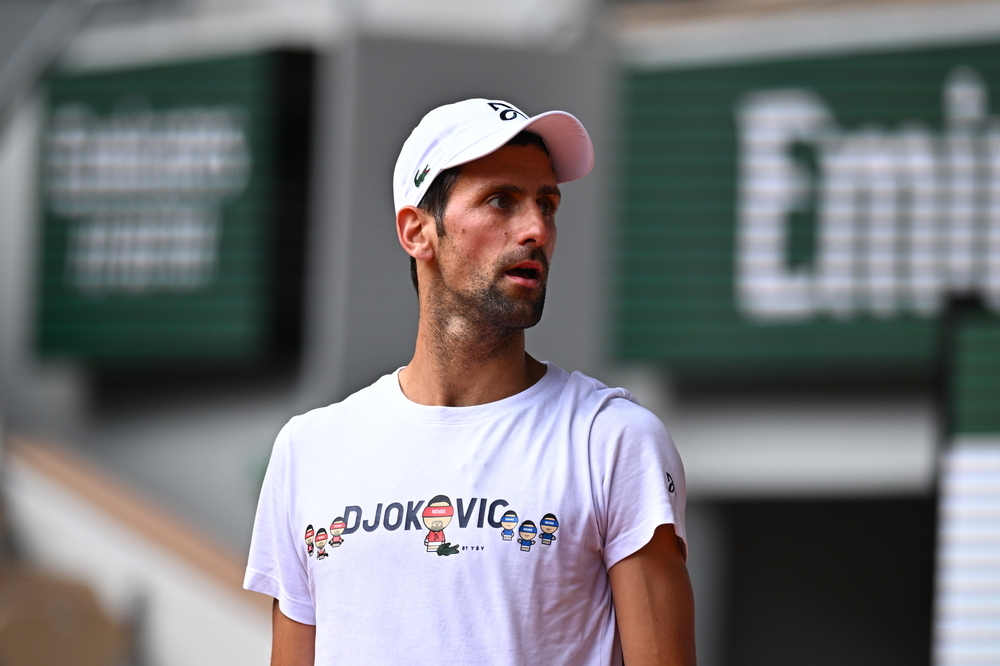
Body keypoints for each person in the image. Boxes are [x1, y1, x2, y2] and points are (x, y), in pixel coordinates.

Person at [245, 98, 696, 665]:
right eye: (501, 200)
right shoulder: (308, 450)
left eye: (547, 204)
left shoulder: (611, 441)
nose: (536, 229)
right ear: (417, 231)